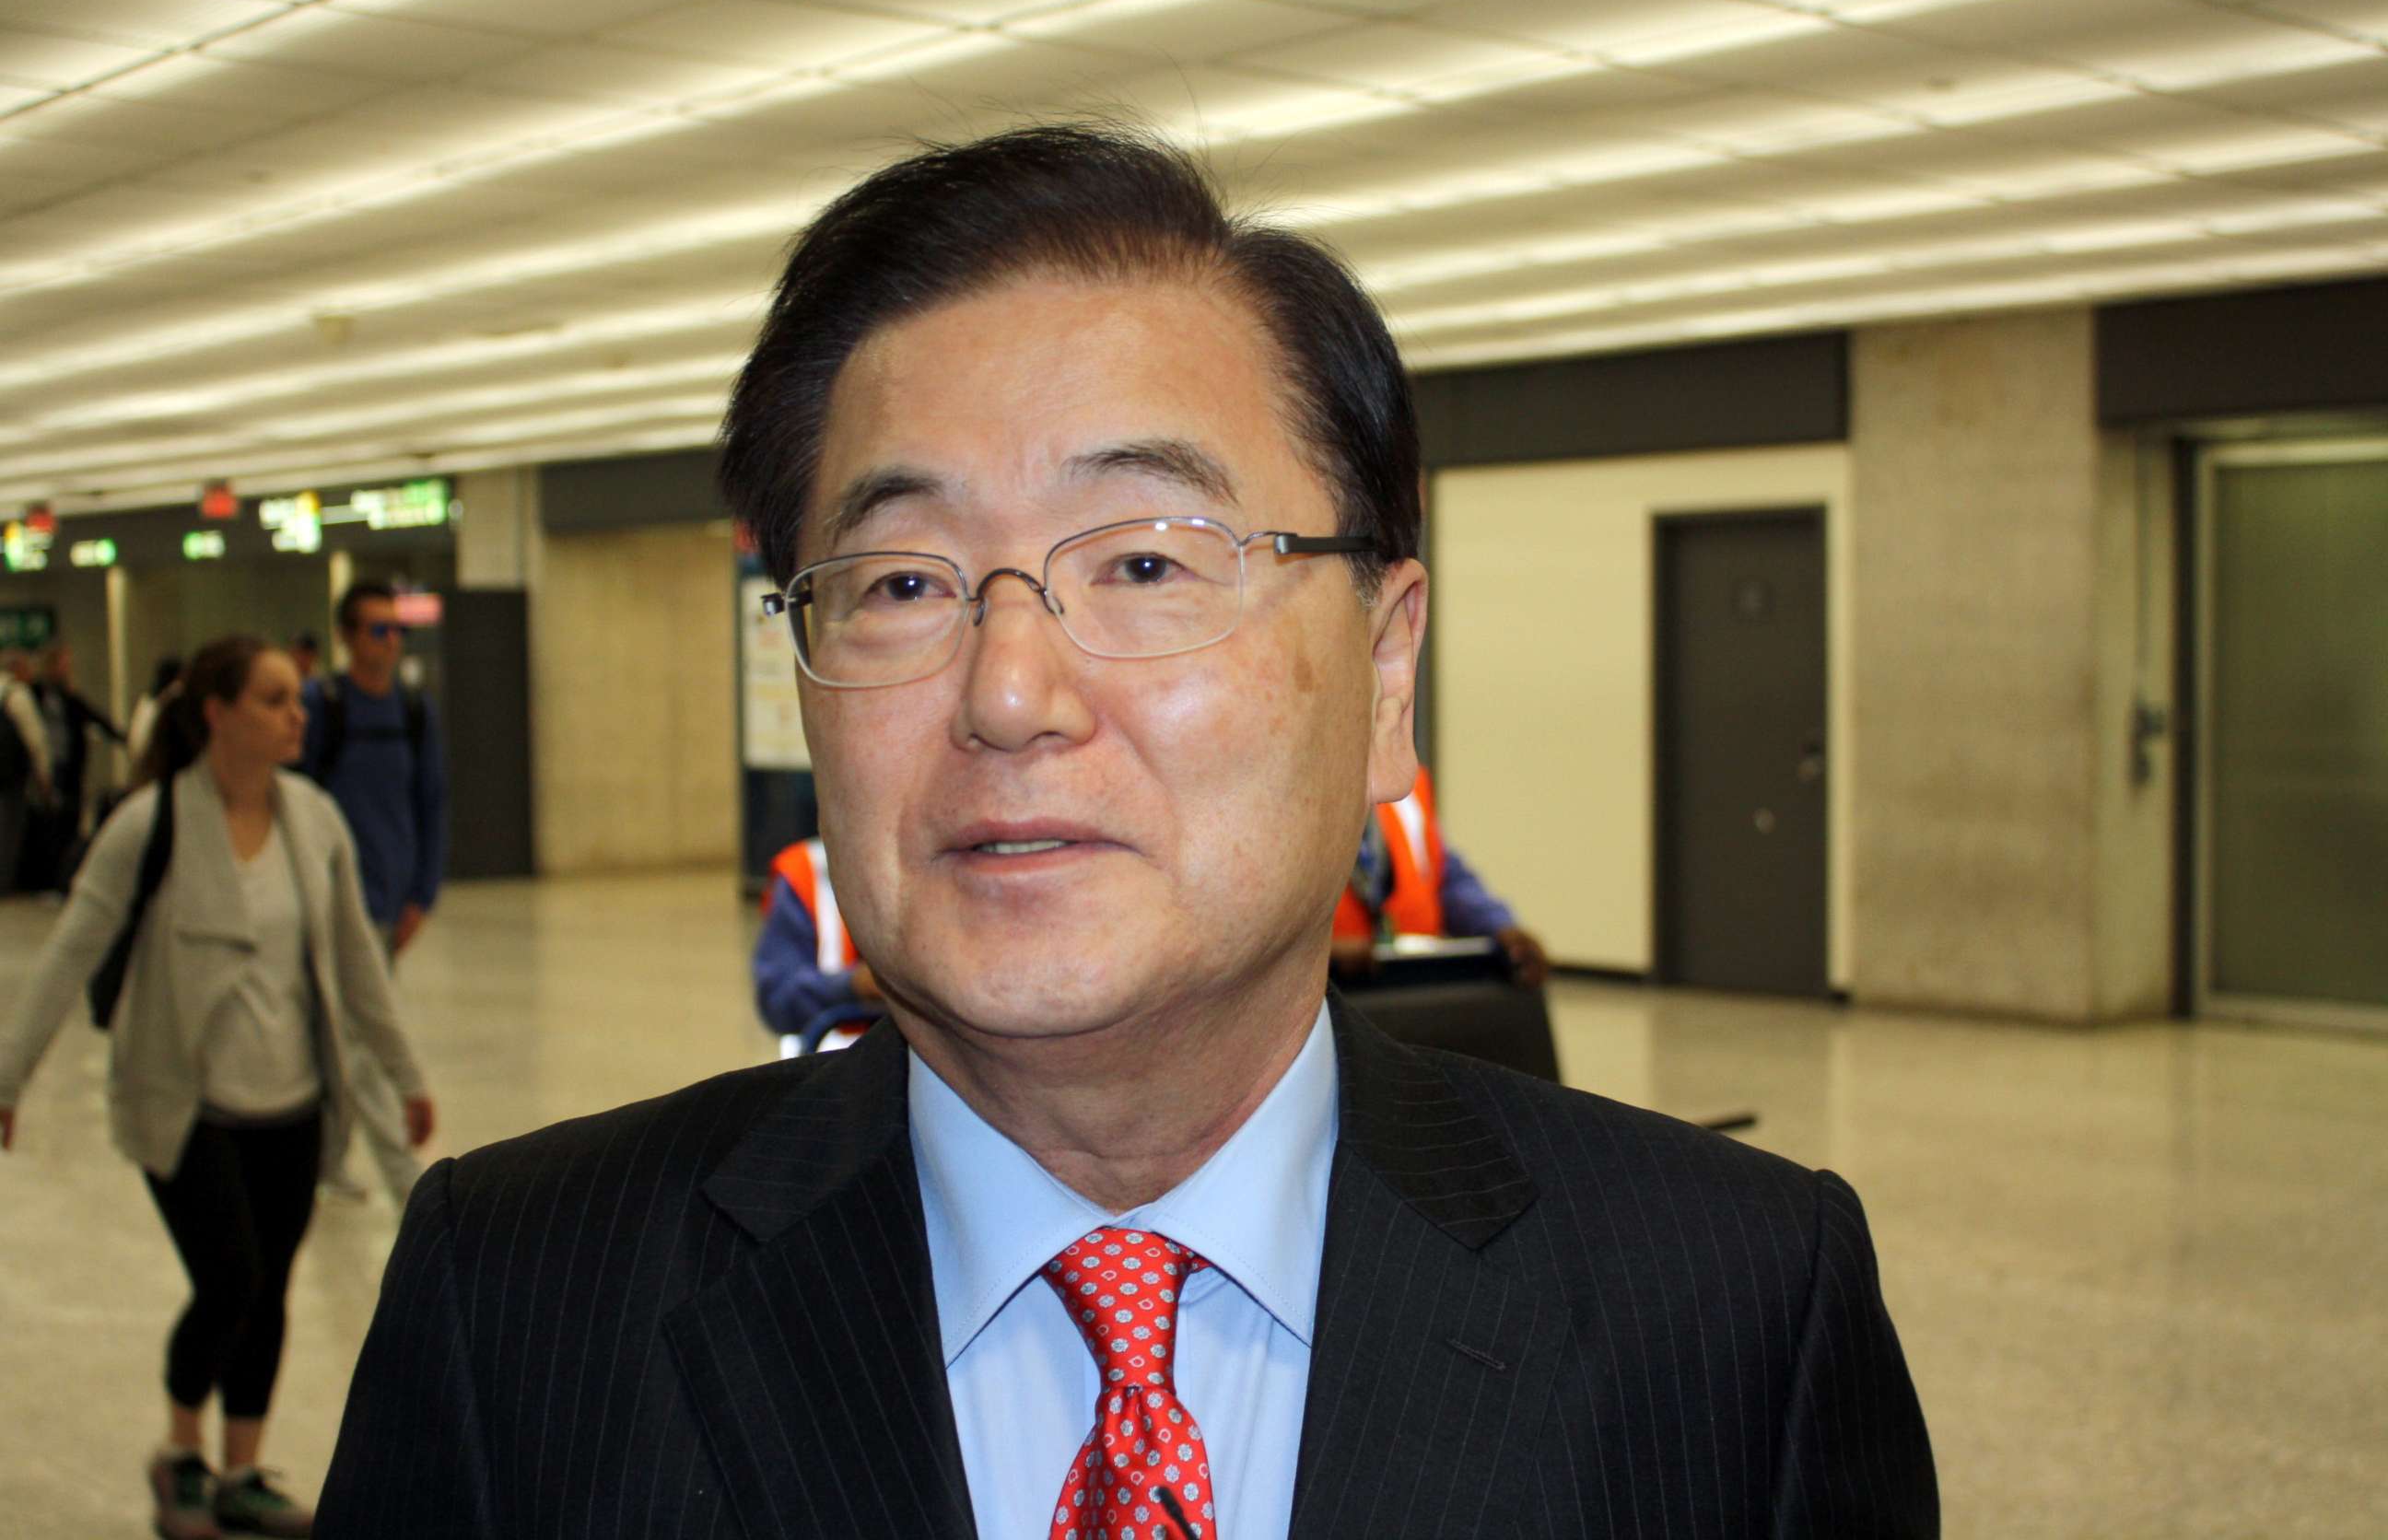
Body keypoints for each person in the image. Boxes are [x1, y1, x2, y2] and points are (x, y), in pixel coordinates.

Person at [319, 124, 1935, 1538]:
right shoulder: (517, 1307)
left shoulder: (1734, 1315)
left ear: (1383, 672)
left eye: (1147, 563)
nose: (1008, 689)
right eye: (899, 582)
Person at [0, 635, 436, 1540]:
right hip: (182, 1101)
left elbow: (357, 963)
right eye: (274, 699)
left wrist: (404, 1076)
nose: (296, 713)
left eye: (295, 698)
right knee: (230, 1279)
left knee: (268, 1289)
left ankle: (242, 1470)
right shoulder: (148, 822)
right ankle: (181, 1453)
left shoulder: (313, 820)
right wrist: (8, 1076)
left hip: (294, 1103)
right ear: (217, 714)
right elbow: (71, 952)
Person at [301, 582, 446, 1205]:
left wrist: (423, 895)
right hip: (333, 906)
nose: (389, 643)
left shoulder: (414, 712)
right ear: (347, 636)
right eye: (377, 629)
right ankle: (401, 1182)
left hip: (391, 901)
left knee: (350, 1037)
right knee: (361, 1041)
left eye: (398, 631)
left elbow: (432, 805)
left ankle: (328, 1159)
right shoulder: (320, 707)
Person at [1329, 764, 1551, 987]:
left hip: (1413, 983)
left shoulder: (1406, 778)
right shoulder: (1304, 784)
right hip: (1330, 994)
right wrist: (1320, 954)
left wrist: (1500, 928)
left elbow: (1443, 876)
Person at [753, 834, 884, 1051]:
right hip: (838, 1068)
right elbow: (778, 1001)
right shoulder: (805, 870)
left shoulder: (942, 866)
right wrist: (856, 985)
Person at [22, 640, 127, 892]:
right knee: (49, 825)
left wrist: (126, 738)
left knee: (68, 822)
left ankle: (61, 879)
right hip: (44, 769)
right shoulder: (33, 695)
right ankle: (47, 879)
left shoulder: (68, 697)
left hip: (69, 769)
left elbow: (95, 717)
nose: (67, 669)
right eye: (63, 663)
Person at [0, 649, 54, 891]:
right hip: (8, 778)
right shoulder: (16, 694)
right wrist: (45, 778)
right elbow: (36, 740)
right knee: (8, 830)